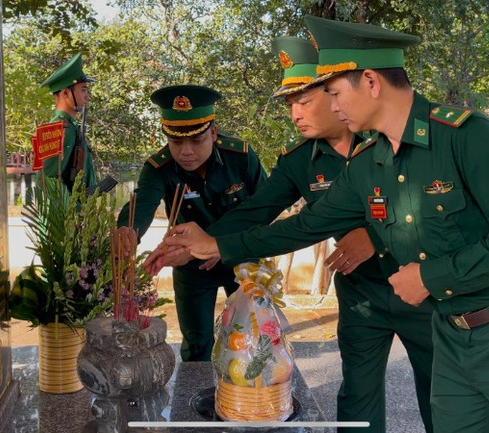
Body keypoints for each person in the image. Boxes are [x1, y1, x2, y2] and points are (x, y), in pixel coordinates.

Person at [156, 16, 489, 433]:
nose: (333, 106)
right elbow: (306, 225)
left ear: (372, 83)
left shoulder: (465, 137)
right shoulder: (369, 163)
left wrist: (429, 275)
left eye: (333, 92)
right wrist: (214, 245)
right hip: (449, 328)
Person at [177, 37, 434, 432]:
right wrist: (196, 243)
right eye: (289, 104)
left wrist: (373, 235)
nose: (295, 114)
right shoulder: (301, 161)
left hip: (423, 289)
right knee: (358, 398)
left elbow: (431, 211)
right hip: (361, 296)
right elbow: (257, 210)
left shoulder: (392, 137)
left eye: (305, 100)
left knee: (441, 395)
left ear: (336, 94)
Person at [117, 84, 267, 362]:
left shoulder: (242, 157)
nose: (186, 151)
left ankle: (247, 402)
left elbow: (264, 208)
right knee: (197, 342)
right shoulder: (158, 168)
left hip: (242, 259)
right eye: (176, 142)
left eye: (197, 141)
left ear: (213, 132)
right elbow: (142, 204)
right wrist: (128, 230)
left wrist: (216, 244)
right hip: (192, 266)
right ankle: (195, 400)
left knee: (252, 337)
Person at [39, 52, 97, 190]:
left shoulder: (71, 126)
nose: (87, 96)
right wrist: (76, 210)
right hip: (67, 211)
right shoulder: (57, 129)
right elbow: (49, 182)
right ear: (65, 93)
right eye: (83, 90)